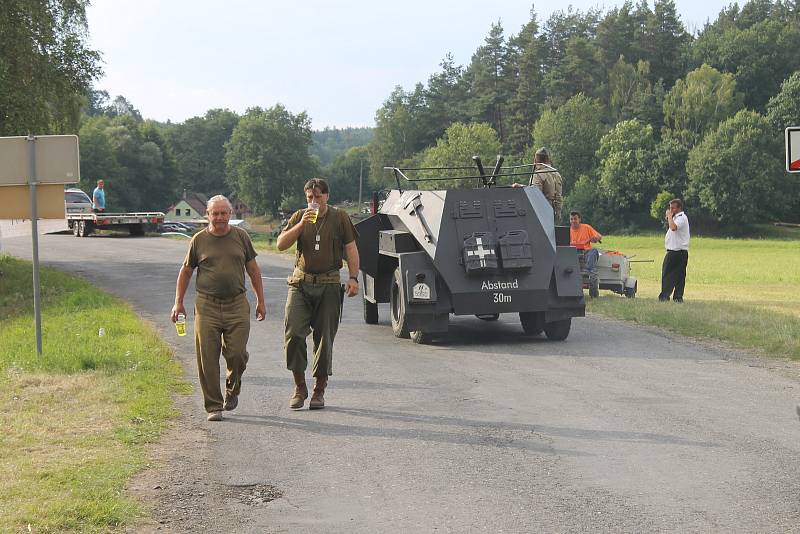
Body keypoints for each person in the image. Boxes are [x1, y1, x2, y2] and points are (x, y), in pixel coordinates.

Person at [170, 195, 266, 422]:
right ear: (208, 215)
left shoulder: (241, 237)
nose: (220, 217)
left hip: (237, 304)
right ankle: (214, 405)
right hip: (207, 305)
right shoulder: (198, 240)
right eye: (215, 213)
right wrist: (178, 302)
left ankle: (233, 389)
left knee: (237, 354)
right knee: (207, 357)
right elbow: (186, 271)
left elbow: (253, 270)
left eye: (224, 213)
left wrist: (261, 301)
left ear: (230, 215)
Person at [277, 178, 359, 410]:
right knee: (293, 334)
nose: (314, 201)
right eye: (310, 198)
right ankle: (299, 387)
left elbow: (351, 248)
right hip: (301, 283)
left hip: (329, 284)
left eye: (318, 197)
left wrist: (353, 278)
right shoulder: (299, 217)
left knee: (324, 339)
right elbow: (281, 244)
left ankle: (319, 391)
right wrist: (301, 225)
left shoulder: (339, 217)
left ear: (327, 196)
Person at [512, 147, 563, 223]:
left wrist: (520, 186)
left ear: (536, 159)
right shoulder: (557, 174)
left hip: (542, 210)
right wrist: (558, 213)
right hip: (553, 211)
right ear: (548, 159)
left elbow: (535, 193)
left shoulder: (538, 174)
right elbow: (559, 197)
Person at [658, 198, 690, 303]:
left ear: (679, 208)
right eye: (670, 208)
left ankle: (666, 296)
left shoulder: (681, 217)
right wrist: (670, 217)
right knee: (678, 275)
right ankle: (677, 298)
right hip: (677, 251)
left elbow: (673, 227)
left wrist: (669, 217)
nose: (670, 210)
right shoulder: (676, 217)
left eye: (673, 208)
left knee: (668, 274)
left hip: (677, 251)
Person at [569, 211, 603, 296]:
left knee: (594, 251)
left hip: (586, 252)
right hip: (573, 252)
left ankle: (588, 270)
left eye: (575, 219)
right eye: (571, 219)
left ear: (579, 219)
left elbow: (599, 236)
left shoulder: (586, 227)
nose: (573, 221)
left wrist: (595, 238)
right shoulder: (567, 231)